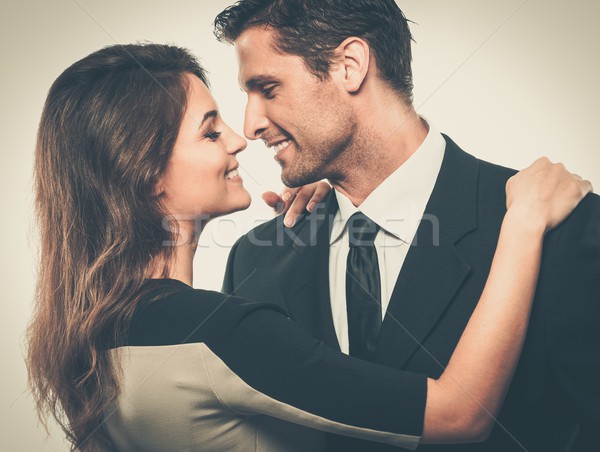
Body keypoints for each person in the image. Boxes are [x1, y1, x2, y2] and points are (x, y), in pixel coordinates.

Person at [25, 43, 590, 452]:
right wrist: (522, 226)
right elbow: (459, 412)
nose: (244, 132)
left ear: (350, 66)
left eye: (266, 88)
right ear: (146, 174)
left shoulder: (100, 332)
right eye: (210, 129)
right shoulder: (227, 315)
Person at [214, 1, 600, 451]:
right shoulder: (255, 259)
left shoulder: (559, 227)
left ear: (350, 66)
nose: (250, 123)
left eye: (268, 88)